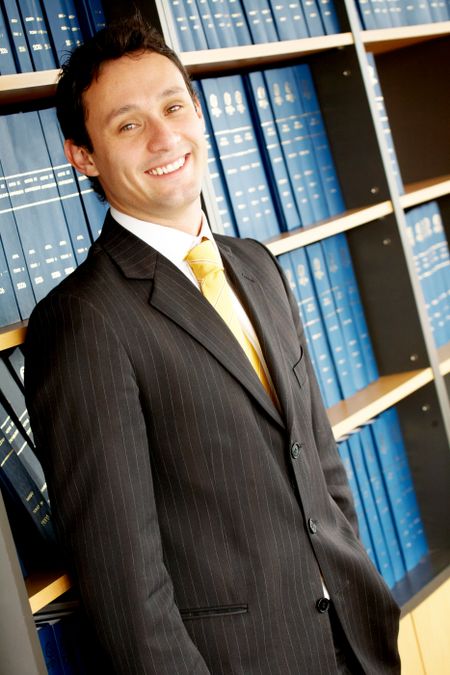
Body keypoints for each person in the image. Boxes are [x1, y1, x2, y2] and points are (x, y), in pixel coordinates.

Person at [24, 15, 401, 675]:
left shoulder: (257, 264)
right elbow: (126, 589)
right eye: (128, 124)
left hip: (360, 643)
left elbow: (321, 465)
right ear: (82, 155)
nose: (165, 136)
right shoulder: (82, 321)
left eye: (174, 106)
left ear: (198, 113)